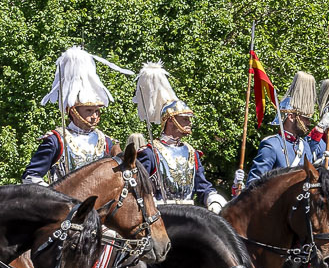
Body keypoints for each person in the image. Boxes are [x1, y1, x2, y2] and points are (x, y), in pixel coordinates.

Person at [24, 46, 119, 183]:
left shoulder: (105, 142)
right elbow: (31, 176)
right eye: (88, 111)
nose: (94, 116)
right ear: (73, 111)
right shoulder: (56, 140)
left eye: (96, 111)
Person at [134, 62, 219, 208]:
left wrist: (213, 198)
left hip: (190, 213)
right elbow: (139, 188)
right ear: (171, 122)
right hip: (163, 214)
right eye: (184, 119)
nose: (189, 123)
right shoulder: (150, 152)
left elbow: (202, 185)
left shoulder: (191, 152)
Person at [244, 71, 326, 189]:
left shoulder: (304, 146)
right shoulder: (272, 145)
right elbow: (253, 186)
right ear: (291, 117)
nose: (308, 123)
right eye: (305, 118)